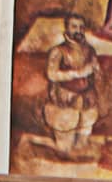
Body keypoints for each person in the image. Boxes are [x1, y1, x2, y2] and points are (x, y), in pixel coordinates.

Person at [42, 14, 100, 158]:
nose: (78, 30)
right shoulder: (58, 51)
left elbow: (96, 72)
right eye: (74, 27)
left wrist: (96, 71)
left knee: (82, 144)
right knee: (64, 148)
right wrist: (78, 73)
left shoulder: (90, 50)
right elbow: (52, 74)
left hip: (86, 100)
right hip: (65, 101)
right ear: (67, 29)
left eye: (81, 27)